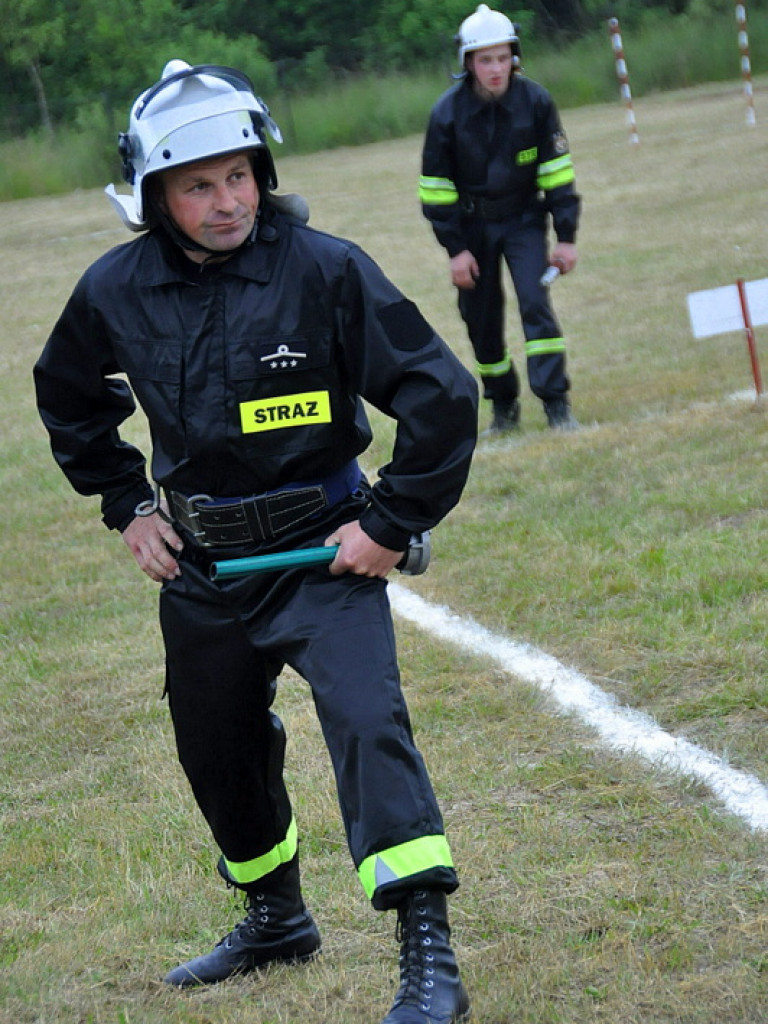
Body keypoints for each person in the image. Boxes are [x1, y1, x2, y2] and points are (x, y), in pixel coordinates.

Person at [33, 61, 478, 1024]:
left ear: (261, 171)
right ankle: (275, 917)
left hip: (323, 550)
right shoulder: (114, 289)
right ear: (154, 196)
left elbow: (440, 395)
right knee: (217, 746)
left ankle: (425, 947)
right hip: (203, 567)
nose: (227, 200)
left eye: (238, 175)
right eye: (198, 185)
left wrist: (390, 523)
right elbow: (69, 399)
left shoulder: (324, 267)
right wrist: (128, 507)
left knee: (365, 720)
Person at [419, 4, 582, 434]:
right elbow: (435, 191)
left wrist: (565, 237)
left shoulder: (537, 102)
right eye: (485, 59)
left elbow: (558, 176)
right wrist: (456, 250)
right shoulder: (445, 115)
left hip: (525, 220)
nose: (496, 68)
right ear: (467, 62)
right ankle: (503, 407)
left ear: (515, 56)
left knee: (535, 304)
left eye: (503, 57)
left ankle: (556, 405)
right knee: (481, 318)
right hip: (471, 229)